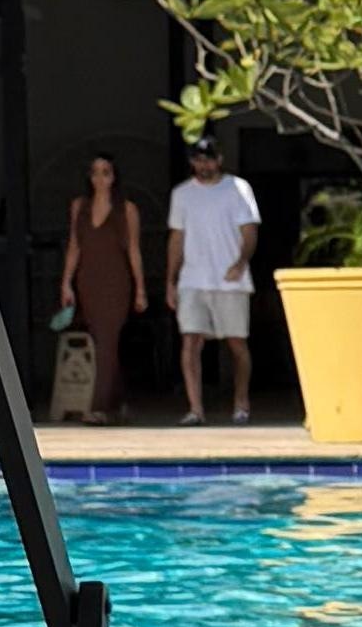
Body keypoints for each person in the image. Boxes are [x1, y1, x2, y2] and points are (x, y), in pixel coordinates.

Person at [167, 141, 261, 423]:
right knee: (190, 341)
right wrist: (171, 279)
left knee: (237, 343)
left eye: (208, 159)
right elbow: (177, 238)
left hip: (230, 279)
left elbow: (249, 230)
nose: (204, 165)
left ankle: (241, 402)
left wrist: (241, 262)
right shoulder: (182, 194)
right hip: (193, 279)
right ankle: (195, 409)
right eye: (198, 160)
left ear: (219, 159)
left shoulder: (238, 188)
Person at [60, 148, 149, 412]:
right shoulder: (79, 207)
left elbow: (134, 250)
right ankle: (118, 400)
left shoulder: (127, 210)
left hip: (117, 282)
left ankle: (99, 407)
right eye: (95, 173)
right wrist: (66, 283)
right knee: (101, 341)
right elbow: (74, 246)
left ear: (114, 177)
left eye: (106, 173)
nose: (100, 179)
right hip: (88, 281)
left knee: (108, 339)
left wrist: (140, 289)